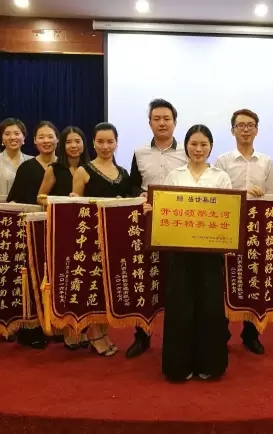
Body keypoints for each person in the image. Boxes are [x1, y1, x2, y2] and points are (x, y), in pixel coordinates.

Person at [143, 124, 231, 381]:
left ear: (211, 147)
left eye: (204, 144)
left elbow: (228, 212)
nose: (198, 149)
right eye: (194, 144)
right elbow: (166, 208)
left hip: (211, 252)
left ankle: (209, 363)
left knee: (209, 307)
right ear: (186, 146)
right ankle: (179, 365)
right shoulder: (175, 175)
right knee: (180, 306)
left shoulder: (220, 177)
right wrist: (153, 212)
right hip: (179, 252)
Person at [126, 98, 187, 359]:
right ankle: (142, 336)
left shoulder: (187, 150)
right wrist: (138, 195)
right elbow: (132, 185)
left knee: (175, 280)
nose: (162, 123)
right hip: (148, 222)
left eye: (167, 119)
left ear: (175, 122)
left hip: (179, 224)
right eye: (157, 119)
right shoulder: (139, 152)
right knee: (145, 277)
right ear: (150, 123)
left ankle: (176, 338)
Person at [213, 108, 273, 355]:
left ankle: (251, 333)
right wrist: (242, 192)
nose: (246, 130)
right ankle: (222, 333)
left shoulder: (266, 161)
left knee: (253, 276)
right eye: (241, 125)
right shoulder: (222, 161)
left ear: (257, 130)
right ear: (233, 130)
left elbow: (272, 195)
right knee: (226, 279)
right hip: (228, 226)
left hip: (257, 228)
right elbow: (217, 194)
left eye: (250, 125)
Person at [72, 122, 132, 356]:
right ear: (93, 143)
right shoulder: (83, 171)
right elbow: (75, 207)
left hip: (115, 239)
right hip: (91, 239)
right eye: (100, 142)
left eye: (110, 141)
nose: (105, 146)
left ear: (117, 143)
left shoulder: (124, 173)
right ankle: (94, 333)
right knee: (93, 285)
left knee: (108, 286)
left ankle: (104, 332)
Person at [6, 120, 60, 349]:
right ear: (35, 141)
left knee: (56, 278)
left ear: (57, 139)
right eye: (41, 137)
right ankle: (32, 328)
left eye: (50, 136)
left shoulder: (64, 166)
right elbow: (14, 201)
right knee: (32, 279)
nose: (46, 141)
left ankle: (58, 325)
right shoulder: (27, 168)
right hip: (31, 232)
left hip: (58, 232)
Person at [37, 125, 91, 350]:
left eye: (77, 141)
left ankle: (83, 328)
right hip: (61, 230)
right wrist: (60, 202)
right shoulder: (54, 169)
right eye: (69, 142)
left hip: (85, 232)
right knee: (66, 279)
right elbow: (40, 196)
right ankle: (67, 330)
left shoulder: (91, 168)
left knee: (84, 281)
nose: (73, 146)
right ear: (62, 145)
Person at [0, 118, 32, 195]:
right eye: (7, 134)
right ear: (2, 138)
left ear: (24, 137)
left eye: (17, 133)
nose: (12, 137)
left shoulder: (32, 161)